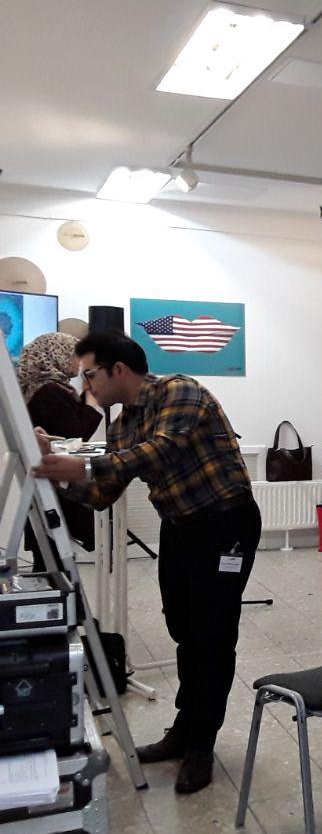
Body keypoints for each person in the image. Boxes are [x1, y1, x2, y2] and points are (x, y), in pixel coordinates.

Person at [34, 331, 260, 794]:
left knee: (212, 634)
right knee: (182, 627)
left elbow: (160, 450)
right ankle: (184, 727)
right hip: (180, 526)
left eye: (90, 375)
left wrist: (86, 465)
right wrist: (58, 474)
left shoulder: (179, 391)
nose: (86, 386)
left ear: (118, 370)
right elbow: (103, 493)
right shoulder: (123, 423)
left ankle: (201, 743)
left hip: (225, 524)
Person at [18, 332, 102, 563]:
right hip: (56, 486)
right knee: (53, 561)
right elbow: (73, 436)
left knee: (51, 559)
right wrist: (91, 400)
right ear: (58, 356)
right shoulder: (49, 392)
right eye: (75, 356)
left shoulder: (46, 388)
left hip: (49, 484)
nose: (79, 362)